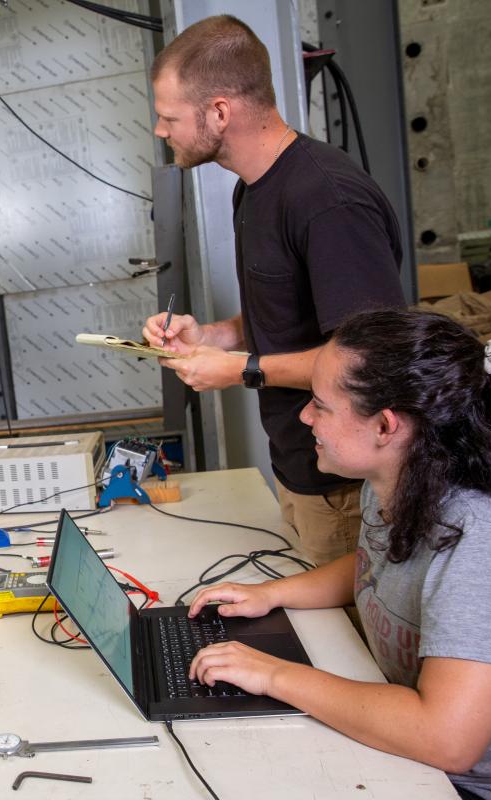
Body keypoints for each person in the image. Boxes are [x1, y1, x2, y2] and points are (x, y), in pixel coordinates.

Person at [186, 309, 491, 800]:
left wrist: (272, 673)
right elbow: (374, 565)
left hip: (471, 785)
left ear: (385, 426)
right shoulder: (393, 482)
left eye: (320, 404)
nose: (305, 416)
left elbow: (446, 739)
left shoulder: (483, 544)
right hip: (413, 750)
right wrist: (269, 595)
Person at [141, 15, 405, 566]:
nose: (161, 131)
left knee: (344, 647)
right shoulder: (254, 191)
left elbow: (368, 361)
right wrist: (212, 334)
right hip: (297, 469)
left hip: (342, 491)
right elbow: (289, 304)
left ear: (219, 111)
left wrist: (239, 370)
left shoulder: (328, 202)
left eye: (169, 117)